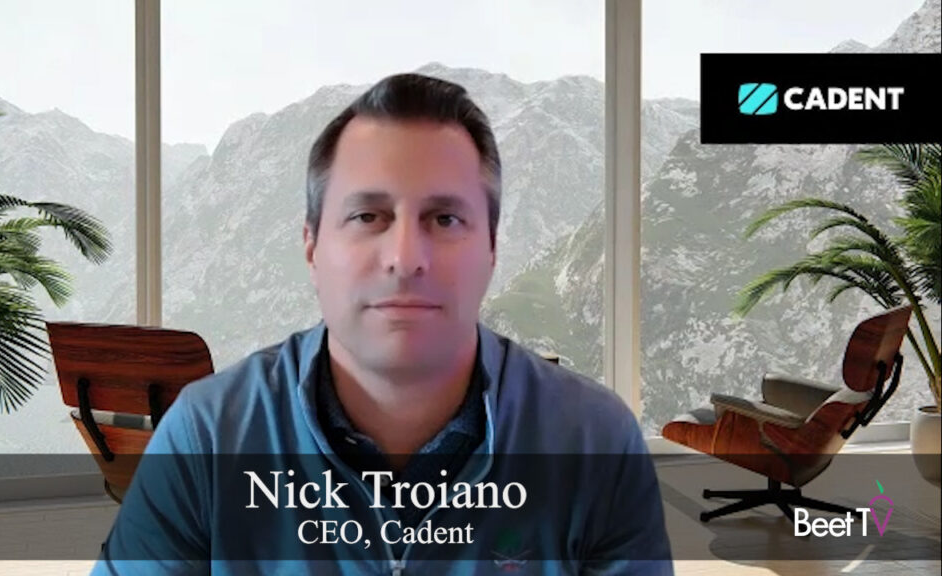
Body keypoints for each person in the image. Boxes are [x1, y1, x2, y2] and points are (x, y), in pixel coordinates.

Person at [92, 73, 673, 575]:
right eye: (368, 215)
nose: (404, 257)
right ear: (312, 247)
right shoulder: (206, 436)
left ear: (492, 249)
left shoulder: (597, 442)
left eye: (444, 219)